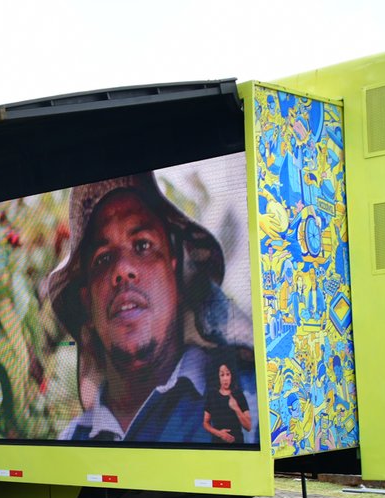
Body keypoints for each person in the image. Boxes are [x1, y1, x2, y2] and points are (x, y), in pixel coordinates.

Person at [40, 171, 253, 443]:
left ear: (177, 276)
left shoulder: (248, 403)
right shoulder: (72, 444)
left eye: (142, 245)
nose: (122, 269)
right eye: (103, 259)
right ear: (87, 303)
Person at [202, 356, 252, 444]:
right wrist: (220, 434)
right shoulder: (212, 395)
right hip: (217, 444)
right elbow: (205, 423)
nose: (225, 378)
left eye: (228, 374)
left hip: (237, 444)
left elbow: (248, 427)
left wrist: (236, 408)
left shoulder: (238, 395)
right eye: (222, 375)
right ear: (217, 377)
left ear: (232, 375)